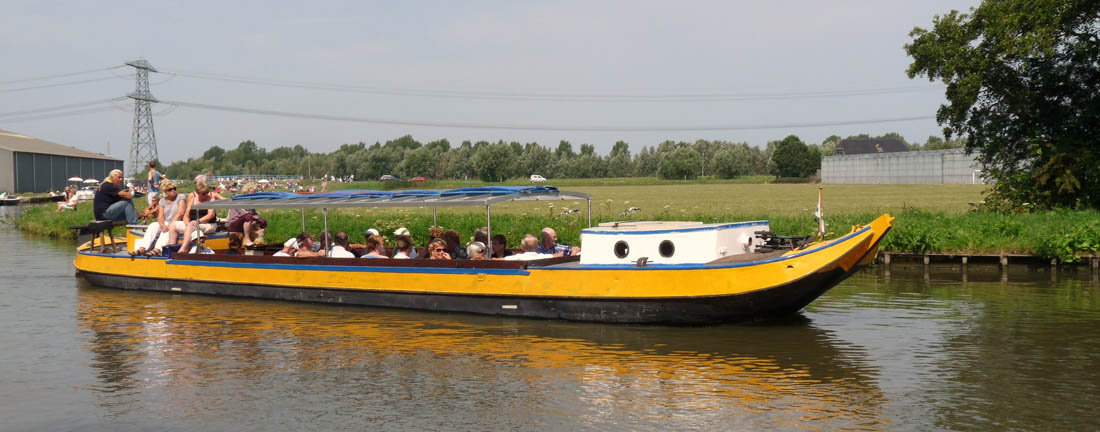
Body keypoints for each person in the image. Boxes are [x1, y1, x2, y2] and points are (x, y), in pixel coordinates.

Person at [179, 180, 223, 253]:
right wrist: (187, 224)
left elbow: (210, 216)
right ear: (198, 193)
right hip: (192, 224)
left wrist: (196, 222)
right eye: (204, 193)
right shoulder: (192, 200)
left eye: (207, 192)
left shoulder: (211, 200)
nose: (206, 194)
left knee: (191, 226)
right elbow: (186, 215)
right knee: (173, 226)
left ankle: (183, 249)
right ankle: (171, 249)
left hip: (208, 224)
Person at [227, 183, 267, 247]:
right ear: (246, 192)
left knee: (263, 221)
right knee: (248, 217)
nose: (254, 194)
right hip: (233, 223)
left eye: (255, 192)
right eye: (252, 192)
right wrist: (254, 218)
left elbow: (255, 214)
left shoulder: (251, 202)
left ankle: (259, 240)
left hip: (246, 221)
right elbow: (244, 213)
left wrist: (258, 219)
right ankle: (246, 238)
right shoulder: (238, 200)